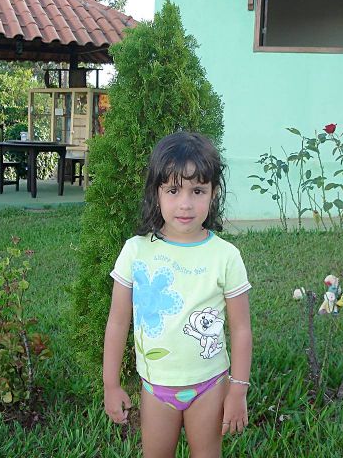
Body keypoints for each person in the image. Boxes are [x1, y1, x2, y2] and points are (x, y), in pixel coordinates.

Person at [103, 132, 253, 457]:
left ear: (213, 193)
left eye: (197, 191)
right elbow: (117, 322)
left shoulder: (226, 257)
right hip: (156, 387)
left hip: (210, 385)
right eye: (173, 190)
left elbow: (241, 329)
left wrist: (238, 390)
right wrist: (110, 385)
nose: (185, 203)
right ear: (156, 193)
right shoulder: (135, 252)